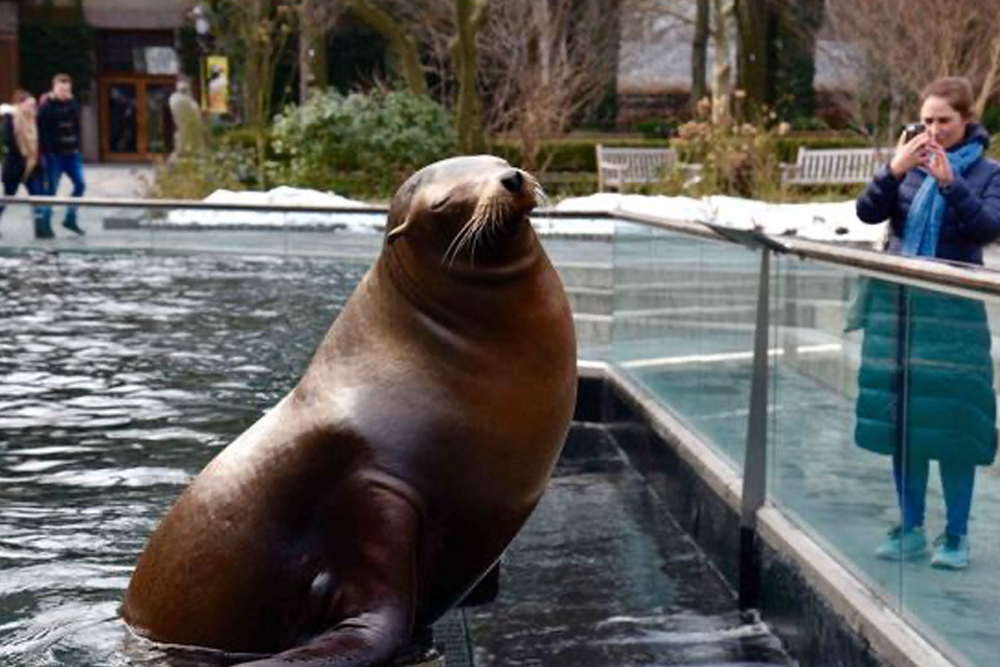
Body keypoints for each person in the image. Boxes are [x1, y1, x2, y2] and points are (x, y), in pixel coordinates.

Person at [855, 76, 1000, 570]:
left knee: (956, 429)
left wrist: (950, 183)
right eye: (927, 120)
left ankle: (955, 535)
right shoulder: (906, 166)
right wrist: (893, 171)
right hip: (899, 313)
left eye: (944, 121)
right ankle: (909, 526)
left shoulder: (987, 173)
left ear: (966, 122)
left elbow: (987, 229)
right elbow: (867, 213)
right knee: (906, 426)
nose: (933, 131)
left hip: (954, 318)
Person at [37, 73, 86, 235]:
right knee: (51, 191)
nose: (64, 94)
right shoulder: (46, 106)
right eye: (61, 90)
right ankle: (45, 226)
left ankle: (70, 218)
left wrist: (78, 147)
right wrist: (47, 153)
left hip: (72, 154)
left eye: (67, 90)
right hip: (54, 156)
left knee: (80, 185)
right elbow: (41, 132)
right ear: (54, 88)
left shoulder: (72, 103)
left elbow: (76, 125)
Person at [0, 90, 52, 239]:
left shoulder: (35, 119)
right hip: (15, 166)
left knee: (36, 198)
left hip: (33, 166)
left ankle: (40, 230)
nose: (32, 108)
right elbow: (9, 141)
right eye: (29, 105)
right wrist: (24, 154)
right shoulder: (11, 119)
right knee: (8, 197)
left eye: (34, 105)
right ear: (20, 105)